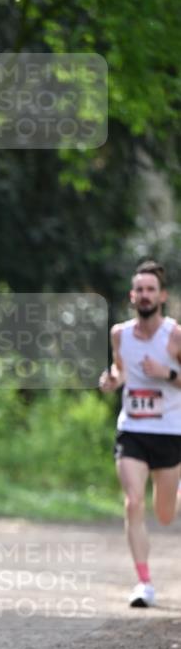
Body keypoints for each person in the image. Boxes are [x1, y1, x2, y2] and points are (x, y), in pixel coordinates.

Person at [99, 260, 181, 608]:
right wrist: (112, 379)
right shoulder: (120, 333)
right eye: (139, 290)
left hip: (170, 431)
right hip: (132, 427)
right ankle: (144, 582)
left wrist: (167, 373)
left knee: (164, 514)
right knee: (133, 502)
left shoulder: (175, 335)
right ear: (132, 296)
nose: (145, 295)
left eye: (151, 290)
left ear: (161, 295)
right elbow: (120, 368)